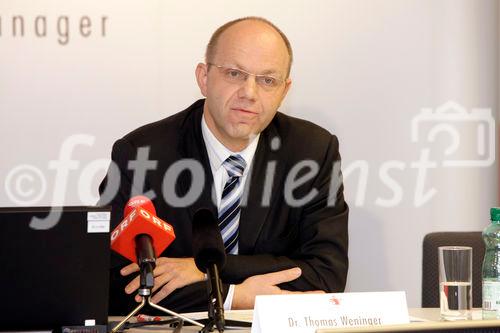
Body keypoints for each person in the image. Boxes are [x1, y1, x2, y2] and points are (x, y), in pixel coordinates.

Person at [99, 16, 348, 314]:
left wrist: (205, 270)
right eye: (234, 73)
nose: (250, 93)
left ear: (284, 91)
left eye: (268, 80)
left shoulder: (312, 151)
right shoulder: (142, 154)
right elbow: (116, 282)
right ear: (203, 77)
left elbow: (326, 274)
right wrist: (233, 296)